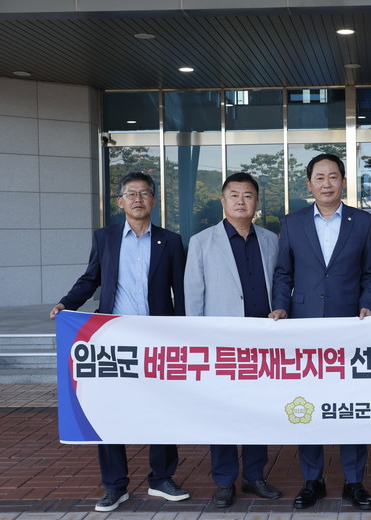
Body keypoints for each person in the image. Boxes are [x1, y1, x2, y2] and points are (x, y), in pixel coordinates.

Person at [49, 172, 188, 512]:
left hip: (157, 338)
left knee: (161, 406)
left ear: (153, 200)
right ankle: (115, 485)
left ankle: (162, 478)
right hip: (112, 338)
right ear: (120, 201)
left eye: (144, 193)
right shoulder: (105, 238)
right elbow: (90, 279)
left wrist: (185, 329)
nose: (138, 199)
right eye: (131, 193)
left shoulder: (170, 241)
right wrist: (67, 304)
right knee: (109, 409)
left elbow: (181, 290)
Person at [269, 153, 371, 510]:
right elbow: (283, 272)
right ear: (309, 184)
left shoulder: (363, 222)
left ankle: (354, 481)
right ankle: (312, 480)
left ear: (343, 182)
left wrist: (368, 304)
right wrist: (281, 306)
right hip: (304, 324)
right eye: (320, 177)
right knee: (307, 402)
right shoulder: (292, 222)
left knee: (350, 403)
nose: (327, 183)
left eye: (333, 177)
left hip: (351, 324)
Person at [184, 172, 282, 508]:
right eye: (235, 195)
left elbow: (280, 284)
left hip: (263, 342)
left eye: (248, 195)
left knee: (257, 409)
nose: (241, 201)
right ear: (223, 201)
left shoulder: (270, 239)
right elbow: (193, 295)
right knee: (222, 410)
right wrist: (198, 340)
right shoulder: (202, 241)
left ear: (257, 202)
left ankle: (255, 475)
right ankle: (224, 480)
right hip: (221, 343)